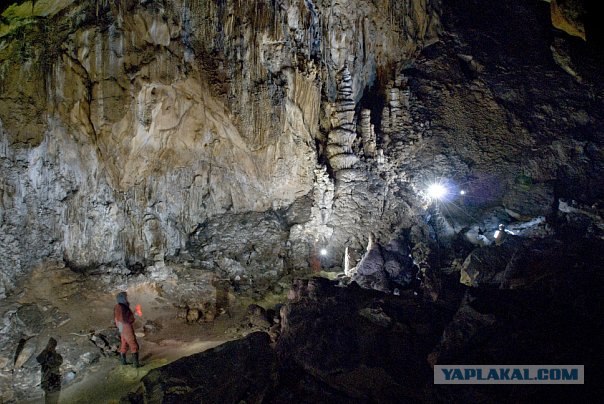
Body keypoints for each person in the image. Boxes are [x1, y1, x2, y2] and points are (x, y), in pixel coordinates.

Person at [114, 291, 141, 368]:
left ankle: (123, 362)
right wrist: (135, 313)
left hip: (121, 326)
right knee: (133, 344)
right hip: (125, 326)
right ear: (123, 298)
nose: (127, 298)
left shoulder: (117, 306)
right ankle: (136, 365)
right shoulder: (123, 307)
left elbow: (117, 318)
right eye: (126, 297)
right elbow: (126, 319)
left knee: (124, 342)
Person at [36, 337, 62, 404]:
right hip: (53, 388)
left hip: (52, 388)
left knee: (50, 372)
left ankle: (48, 354)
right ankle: (49, 354)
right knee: (50, 371)